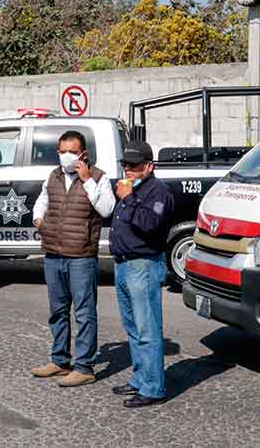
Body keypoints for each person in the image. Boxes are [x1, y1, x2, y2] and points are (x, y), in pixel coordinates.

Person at [28, 130, 115, 388]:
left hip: (81, 257)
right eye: (62, 151)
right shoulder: (53, 176)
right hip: (54, 254)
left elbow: (106, 209)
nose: (66, 156)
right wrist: (39, 220)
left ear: (83, 154)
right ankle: (59, 360)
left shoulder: (99, 177)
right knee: (57, 311)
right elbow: (41, 202)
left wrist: (87, 180)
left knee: (84, 313)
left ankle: (84, 366)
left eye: (72, 152)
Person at [108, 141, 174, 408]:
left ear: (149, 166)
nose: (128, 169)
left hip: (143, 265)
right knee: (133, 329)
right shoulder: (132, 188)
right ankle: (140, 378)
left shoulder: (157, 192)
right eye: (125, 164)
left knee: (148, 330)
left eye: (134, 165)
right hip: (124, 264)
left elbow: (150, 224)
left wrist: (128, 198)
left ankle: (153, 387)